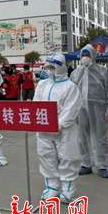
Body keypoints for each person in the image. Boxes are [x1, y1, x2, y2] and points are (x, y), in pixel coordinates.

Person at [35, 54, 82, 203]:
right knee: (46, 155)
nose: (50, 70)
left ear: (61, 67)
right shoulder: (42, 85)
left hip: (64, 129)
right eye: (48, 67)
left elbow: (72, 108)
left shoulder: (70, 87)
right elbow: (36, 104)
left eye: (53, 67)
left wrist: (59, 124)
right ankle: (52, 187)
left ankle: (68, 189)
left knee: (67, 156)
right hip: (44, 126)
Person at [70, 44, 108, 178]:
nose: (85, 57)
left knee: (100, 136)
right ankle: (86, 163)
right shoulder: (75, 73)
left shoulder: (103, 71)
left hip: (98, 109)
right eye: (83, 55)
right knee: (82, 136)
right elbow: (71, 93)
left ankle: (102, 165)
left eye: (87, 55)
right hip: (80, 109)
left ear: (93, 56)